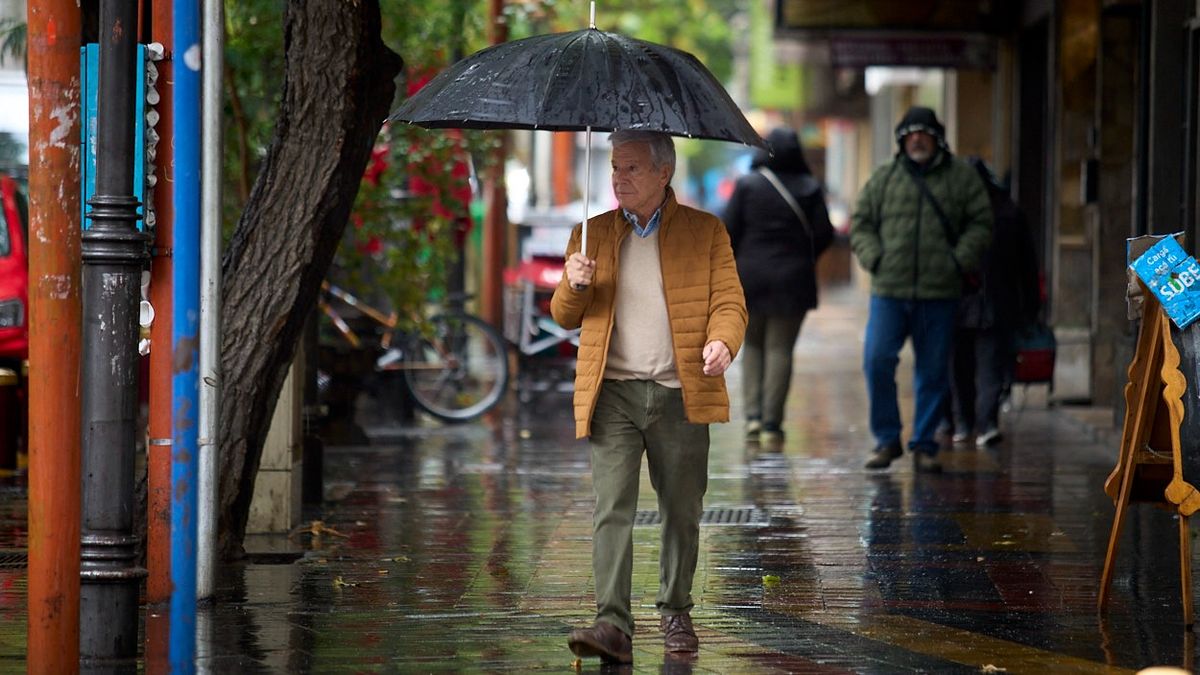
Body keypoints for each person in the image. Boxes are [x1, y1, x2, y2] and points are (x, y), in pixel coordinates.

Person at [551, 129, 747, 664]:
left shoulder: (706, 232)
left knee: (681, 509)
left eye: (632, 168)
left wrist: (722, 342)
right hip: (611, 394)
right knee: (611, 505)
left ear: (665, 172)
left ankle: (675, 608)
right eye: (615, 167)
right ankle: (611, 622)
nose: (619, 178)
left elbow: (730, 302)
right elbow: (563, 316)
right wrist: (574, 283)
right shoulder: (589, 235)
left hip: (680, 393)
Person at [849, 106, 992, 473]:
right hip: (889, 291)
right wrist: (874, 258)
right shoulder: (884, 177)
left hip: (938, 293)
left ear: (937, 137)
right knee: (877, 360)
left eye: (924, 132)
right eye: (910, 133)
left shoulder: (960, 178)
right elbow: (860, 222)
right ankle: (886, 440)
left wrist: (958, 261)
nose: (917, 138)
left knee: (932, 370)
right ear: (901, 140)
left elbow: (981, 223)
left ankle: (925, 444)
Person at [723, 127, 834, 445]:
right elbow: (824, 233)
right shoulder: (810, 188)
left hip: (750, 277)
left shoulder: (747, 185)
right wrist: (801, 257)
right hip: (793, 280)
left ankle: (753, 419)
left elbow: (728, 230)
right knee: (780, 348)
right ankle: (772, 423)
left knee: (753, 346)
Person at [947, 157, 1042, 447]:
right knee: (990, 366)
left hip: (961, 303)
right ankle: (984, 423)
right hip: (994, 303)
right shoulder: (1009, 211)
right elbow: (1027, 265)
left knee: (960, 367)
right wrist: (1030, 305)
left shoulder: (953, 213)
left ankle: (965, 423)